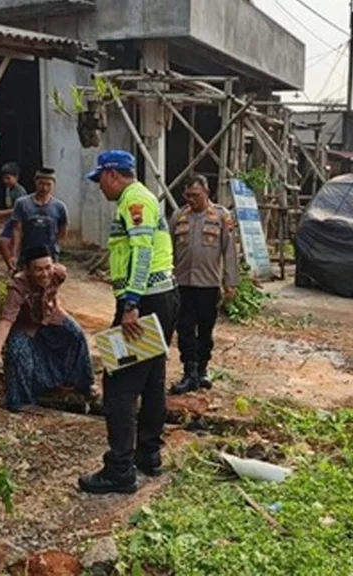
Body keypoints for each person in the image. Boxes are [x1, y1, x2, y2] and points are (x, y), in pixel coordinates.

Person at [78, 150, 179, 495]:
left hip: (144, 301)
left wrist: (131, 304)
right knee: (151, 379)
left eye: (99, 181)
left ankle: (120, 470)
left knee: (118, 385)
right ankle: (147, 455)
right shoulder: (146, 199)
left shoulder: (134, 201)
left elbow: (142, 253)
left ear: (111, 174)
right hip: (162, 298)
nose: (99, 189)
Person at [0, 245, 95, 411]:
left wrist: (56, 307)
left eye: (48, 268)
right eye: (38, 270)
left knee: (76, 333)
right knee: (17, 351)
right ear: (28, 270)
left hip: (51, 316)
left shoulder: (59, 273)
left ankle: (82, 385)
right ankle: (22, 402)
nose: (45, 274)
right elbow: (6, 321)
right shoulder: (18, 287)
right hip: (26, 326)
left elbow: (53, 291)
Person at [168, 175, 240, 395]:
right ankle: (189, 372)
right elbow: (168, 249)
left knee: (206, 330)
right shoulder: (179, 216)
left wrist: (231, 283)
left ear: (206, 192)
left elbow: (229, 252)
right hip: (183, 284)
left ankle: (203, 370)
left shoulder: (221, 217)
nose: (191, 200)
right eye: (187, 195)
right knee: (185, 329)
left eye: (195, 195)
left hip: (208, 285)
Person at [10, 168, 68, 269]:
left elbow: (63, 231)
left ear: (53, 185)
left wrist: (56, 249)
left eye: (48, 184)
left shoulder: (60, 207)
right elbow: (17, 230)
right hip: (26, 255)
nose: (44, 188)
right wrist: (15, 254)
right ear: (35, 182)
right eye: (41, 183)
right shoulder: (22, 204)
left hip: (49, 257)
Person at [0, 162, 28, 271]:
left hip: (18, 223)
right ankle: (13, 268)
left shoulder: (20, 192)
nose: (5, 181)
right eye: (4, 178)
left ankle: (15, 268)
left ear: (16, 177)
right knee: (2, 243)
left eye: (8, 178)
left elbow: (17, 210)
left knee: (6, 244)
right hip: (11, 222)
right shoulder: (9, 189)